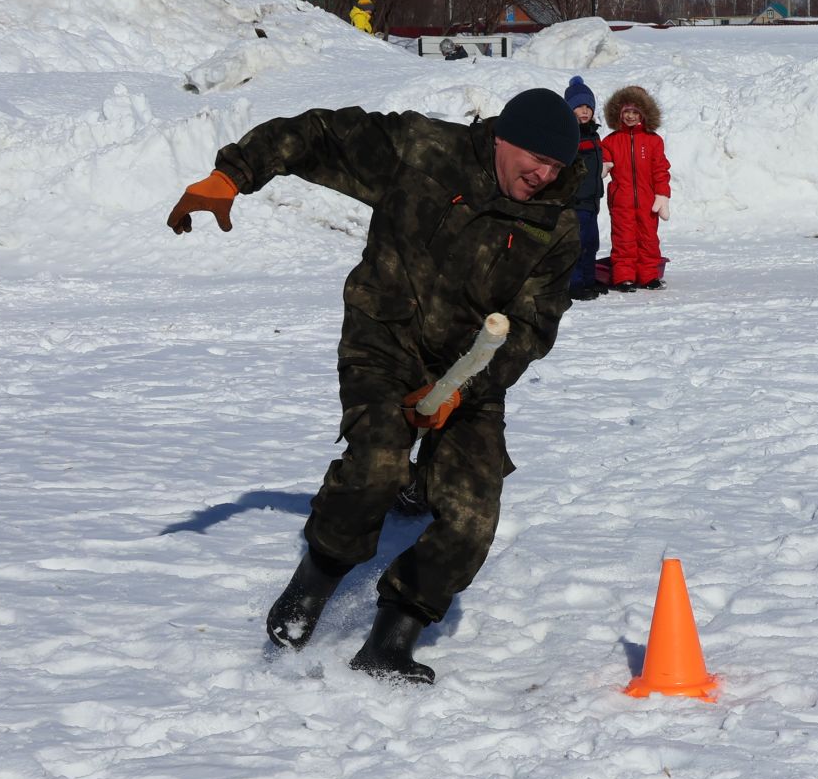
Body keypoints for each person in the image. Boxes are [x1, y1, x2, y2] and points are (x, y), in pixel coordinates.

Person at [164, 88, 583, 684]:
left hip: (469, 370)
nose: (544, 175)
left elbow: (535, 323)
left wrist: (464, 388)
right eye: (536, 159)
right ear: (502, 139)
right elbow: (319, 133)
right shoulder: (423, 151)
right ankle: (317, 579)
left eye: (557, 167)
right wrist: (233, 174)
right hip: (384, 339)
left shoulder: (557, 224)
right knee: (380, 465)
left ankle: (392, 637)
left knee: (470, 516)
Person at [599, 86, 671, 292]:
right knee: (624, 239)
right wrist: (603, 166)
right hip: (621, 200)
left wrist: (662, 194)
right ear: (619, 114)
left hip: (648, 201)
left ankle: (649, 276)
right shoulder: (611, 141)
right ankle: (624, 277)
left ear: (644, 114)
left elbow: (660, 169)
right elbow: (603, 162)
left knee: (648, 238)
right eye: (626, 112)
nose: (630, 116)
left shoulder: (653, 141)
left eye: (635, 112)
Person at [564, 76, 603, 300]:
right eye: (579, 106)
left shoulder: (594, 134)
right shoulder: (570, 136)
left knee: (591, 243)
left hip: (592, 201)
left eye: (588, 106)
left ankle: (589, 279)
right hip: (576, 200)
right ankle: (575, 284)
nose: (585, 111)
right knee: (576, 244)